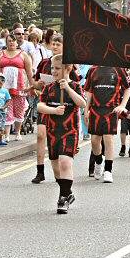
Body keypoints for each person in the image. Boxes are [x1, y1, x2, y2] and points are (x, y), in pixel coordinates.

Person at [38, 54, 86, 214]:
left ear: (68, 69)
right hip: (52, 132)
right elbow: (40, 106)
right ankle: (68, 192)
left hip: (69, 132)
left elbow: (82, 103)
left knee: (65, 163)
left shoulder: (76, 86)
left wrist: (68, 89)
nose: (53, 71)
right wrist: (53, 110)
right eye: (52, 68)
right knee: (56, 167)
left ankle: (63, 199)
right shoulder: (49, 87)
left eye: (57, 68)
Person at [84, 65, 130, 183]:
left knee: (108, 139)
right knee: (95, 141)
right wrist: (86, 109)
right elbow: (89, 91)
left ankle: (108, 171)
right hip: (95, 109)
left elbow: (128, 88)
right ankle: (99, 161)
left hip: (111, 109)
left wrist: (122, 105)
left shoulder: (118, 69)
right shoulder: (92, 70)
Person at [0, 30, 35, 142]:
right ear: (6, 42)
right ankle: (7, 135)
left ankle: (17, 131)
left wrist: (33, 86)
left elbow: (29, 73)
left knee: (19, 110)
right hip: (4, 87)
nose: (11, 43)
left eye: (13, 41)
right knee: (7, 110)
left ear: (17, 43)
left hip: (20, 87)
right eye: (9, 41)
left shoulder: (24, 55)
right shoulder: (0, 54)